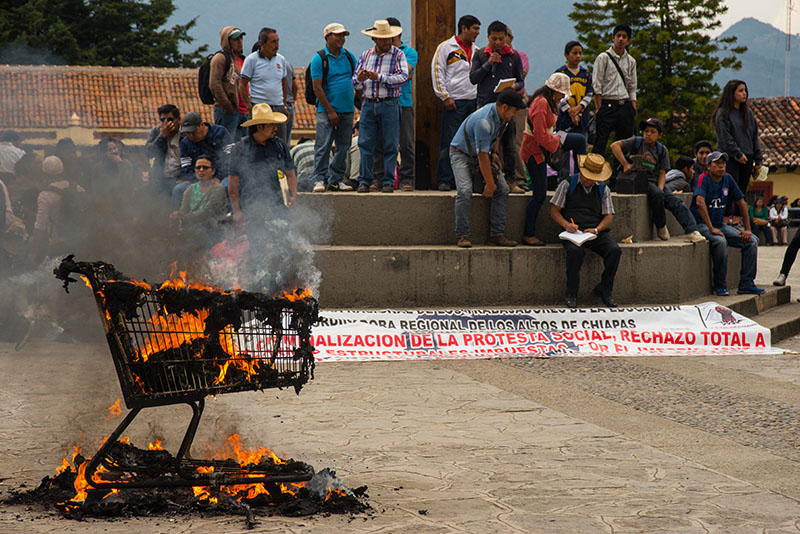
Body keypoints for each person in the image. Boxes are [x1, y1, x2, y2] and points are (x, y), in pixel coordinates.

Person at [227, 104, 297, 290]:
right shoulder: (240, 149)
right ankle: (258, 288)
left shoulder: (280, 145)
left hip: (278, 205)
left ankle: (282, 288)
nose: (275, 128)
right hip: (252, 207)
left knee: (284, 246)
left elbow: (290, 173)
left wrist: (293, 194)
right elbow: (233, 182)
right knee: (257, 247)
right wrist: (237, 211)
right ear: (259, 127)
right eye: (270, 124)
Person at [450, 89, 525, 248]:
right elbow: (482, 157)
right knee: (464, 190)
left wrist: (495, 153)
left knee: (504, 189)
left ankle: (497, 234)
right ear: (505, 107)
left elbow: (496, 136)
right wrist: (490, 184)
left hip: (482, 153)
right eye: (514, 111)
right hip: (461, 154)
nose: (515, 115)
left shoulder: (501, 116)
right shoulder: (484, 121)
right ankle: (462, 235)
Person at [611, 118, 705, 243]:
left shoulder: (662, 150)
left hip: (654, 180)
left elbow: (662, 173)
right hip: (638, 179)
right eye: (646, 131)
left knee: (676, 202)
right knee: (657, 193)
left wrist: (661, 188)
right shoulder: (637, 142)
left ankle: (692, 230)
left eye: (652, 131)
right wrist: (625, 164)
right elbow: (615, 146)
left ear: (660, 135)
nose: (648, 134)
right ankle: (660, 225)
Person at [520, 73, 587, 246]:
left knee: (580, 141)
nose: (563, 96)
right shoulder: (541, 104)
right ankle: (529, 233)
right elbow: (540, 134)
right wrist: (556, 143)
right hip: (535, 152)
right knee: (539, 194)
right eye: (562, 93)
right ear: (555, 91)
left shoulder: (550, 102)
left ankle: (581, 176)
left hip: (547, 146)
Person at [550, 153, 620, 309]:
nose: (589, 180)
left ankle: (605, 289)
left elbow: (608, 216)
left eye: (593, 177)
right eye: (587, 176)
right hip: (572, 232)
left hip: (595, 231)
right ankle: (571, 293)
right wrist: (566, 224)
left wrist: (597, 229)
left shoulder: (603, 188)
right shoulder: (567, 184)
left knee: (614, 250)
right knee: (575, 253)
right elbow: (554, 211)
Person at [690, 151, 764, 296]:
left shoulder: (727, 179)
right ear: (709, 165)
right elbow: (699, 202)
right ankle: (720, 285)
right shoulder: (702, 178)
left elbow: (741, 202)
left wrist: (747, 229)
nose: (721, 166)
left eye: (723, 163)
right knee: (720, 241)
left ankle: (746, 283)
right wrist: (711, 228)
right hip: (701, 224)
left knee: (752, 241)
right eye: (717, 163)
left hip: (720, 224)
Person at [352, 19, 409, 193]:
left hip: (390, 103)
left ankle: (387, 181)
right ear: (375, 39)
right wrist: (360, 80)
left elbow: (403, 77)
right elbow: (355, 80)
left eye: (389, 39)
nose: (387, 42)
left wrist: (379, 78)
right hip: (369, 103)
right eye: (383, 39)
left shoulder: (398, 55)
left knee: (390, 144)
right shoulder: (365, 55)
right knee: (365, 143)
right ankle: (365, 180)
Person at [469, 21, 525, 191]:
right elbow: (473, 78)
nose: (498, 43)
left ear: (507, 38)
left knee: (508, 144)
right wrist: (488, 64)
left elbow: (521, 81)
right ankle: (480, 180)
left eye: (501, 39)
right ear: (488, 37)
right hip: (485, 106)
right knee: (482, 145)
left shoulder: (513, 56)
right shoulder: (480, 54)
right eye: (494, 39)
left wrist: (513, 87)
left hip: (507, 108)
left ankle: (511, 180)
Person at [432, 14, 481, 191]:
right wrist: (444, 96)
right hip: (455, 102)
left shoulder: (477, 51)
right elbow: (438, 71)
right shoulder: (446, 47)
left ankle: (465, 180)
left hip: (473, 102)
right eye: (474, 29)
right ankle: (445, 179)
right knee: (449, 141)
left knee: (471, 143)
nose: (477, 33)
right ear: (464, 28)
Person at [370, 17, 417, 192]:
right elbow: (400, 75)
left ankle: (407, 179)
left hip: (403, 102)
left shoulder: (409, 52)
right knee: (381, 142)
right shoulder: (377, 54)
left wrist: (384, 76)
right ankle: (380, 178)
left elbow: (406, 73)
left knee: (406, 143)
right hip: (386, 101)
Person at [310, 23, 358, 193]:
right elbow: (317, 88)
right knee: (323, 145)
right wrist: (330, 111)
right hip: (326, 110)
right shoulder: (320, 58)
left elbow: (356, 80)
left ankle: (336, 180)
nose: (341, 39)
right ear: (327, 37)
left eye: (343, 35)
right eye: (337, 35)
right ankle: (319, 179)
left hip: (347, 109)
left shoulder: (349, 57)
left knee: (343, 146)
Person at [28, 155, 87, 264]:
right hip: (80, 243)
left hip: (57, 244)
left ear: (43, 172)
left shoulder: (45, 195)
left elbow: (40, 227)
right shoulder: (79, 189)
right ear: (62, 170)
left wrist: (32, 252)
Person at [170, 154, 227, 263]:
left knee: (195, 235)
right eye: (198, 168)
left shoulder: (218, 189)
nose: (201, 170)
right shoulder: (190, 189)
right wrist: (178, 215)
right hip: (193, 228)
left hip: (211, 230)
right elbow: (184, 209)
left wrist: (185, 218)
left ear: (213, 171)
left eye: (205, 168)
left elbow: (207, 213)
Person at [591, 24, 637, 157]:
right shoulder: (603, 58)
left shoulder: (631, 61)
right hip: (607, 104)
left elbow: (632, 86)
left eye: (624, 37)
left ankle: (619, 175)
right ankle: (595, 176)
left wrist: (633, 108)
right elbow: (597, 84)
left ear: (628, 40)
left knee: (624, 144)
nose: (621, 39)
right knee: (600, 143)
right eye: (618, 36)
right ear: (613, 38)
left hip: (624, 104)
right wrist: (598, 108)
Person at [712, 80, 763, 195]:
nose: (744, 93)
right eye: (740, 91)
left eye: (745, 90)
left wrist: (758, 158)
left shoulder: (748, 113)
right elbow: (725, 137)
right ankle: (729, 213)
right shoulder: (723, 113)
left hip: (747, 158)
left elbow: (754, 136)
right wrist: (737, 154)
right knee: (730, 191)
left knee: (741, 193)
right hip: (730, 159)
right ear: (732, 93)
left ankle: (739, 213)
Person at [240, 28, 291, 142]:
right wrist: (249, 106)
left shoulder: (281, 60)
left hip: (277, 107)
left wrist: (284, 105)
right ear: (262, 43)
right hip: (259, 108)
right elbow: (242, 84)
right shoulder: (251, 60)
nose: (277, 45)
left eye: (278, 41)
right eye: (273, 42)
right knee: (257, 143)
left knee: (280, 142)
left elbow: (283, 83)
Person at [179, 112, 234, 209]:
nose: (190, 136)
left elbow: (231, 159)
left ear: (202, 125)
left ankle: (226, 218)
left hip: (222, 176)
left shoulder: (221, 132)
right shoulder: (185, 143)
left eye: (193, 131)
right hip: (198, 180)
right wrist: (198, 181)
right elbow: (186, 167)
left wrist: (217, 178)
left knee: (225, 187)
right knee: (178, 190)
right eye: (187, 133)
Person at [505, 27, 530, 192]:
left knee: (518, 141)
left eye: (504, 37)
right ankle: (503, 176)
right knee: (499, 142)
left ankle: (520, 178)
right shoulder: (489, 56)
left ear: (511, 38)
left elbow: (522, 75)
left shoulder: (520, 56)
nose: (500, 41)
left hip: (518, 102)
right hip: (500, 103)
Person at [211, 27, 246, 138]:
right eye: (235, 39)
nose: (239, 42)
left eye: (241, 38)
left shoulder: (243, 59)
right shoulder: (220, 58)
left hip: (243, 110)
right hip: (227, 110)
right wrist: (226, 104)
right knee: (227, 146)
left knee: (243, 147)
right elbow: (214, 83)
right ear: (227, 41)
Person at [145, 104, 182, 197]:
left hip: (179, 178)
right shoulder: (157, 131)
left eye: (170, 120)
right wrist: (162, 136)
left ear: (178, 119)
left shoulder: (185, 133)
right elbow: (149, 153)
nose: (166, 123)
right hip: (160, 178)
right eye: (162, 120)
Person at [283, 59, 298, 143]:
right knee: (286, 141)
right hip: (289, 105)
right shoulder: (288, 64)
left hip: (276, 105)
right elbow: (295, 87)